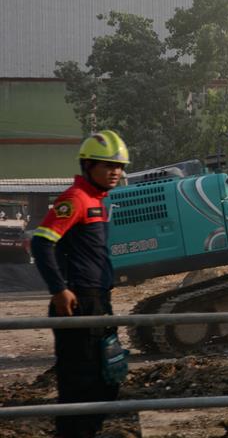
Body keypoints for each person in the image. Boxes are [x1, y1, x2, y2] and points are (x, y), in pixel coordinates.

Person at [31, 130, 130, 438]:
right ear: (88, 165)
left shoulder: (97, 201)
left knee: (109, 377)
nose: (115, 172)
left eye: (119, 166)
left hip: (99, 301)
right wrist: (59, 289)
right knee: (79, 386)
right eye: (106, 165)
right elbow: (41, 243)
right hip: (78, 303)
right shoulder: (75, 200)